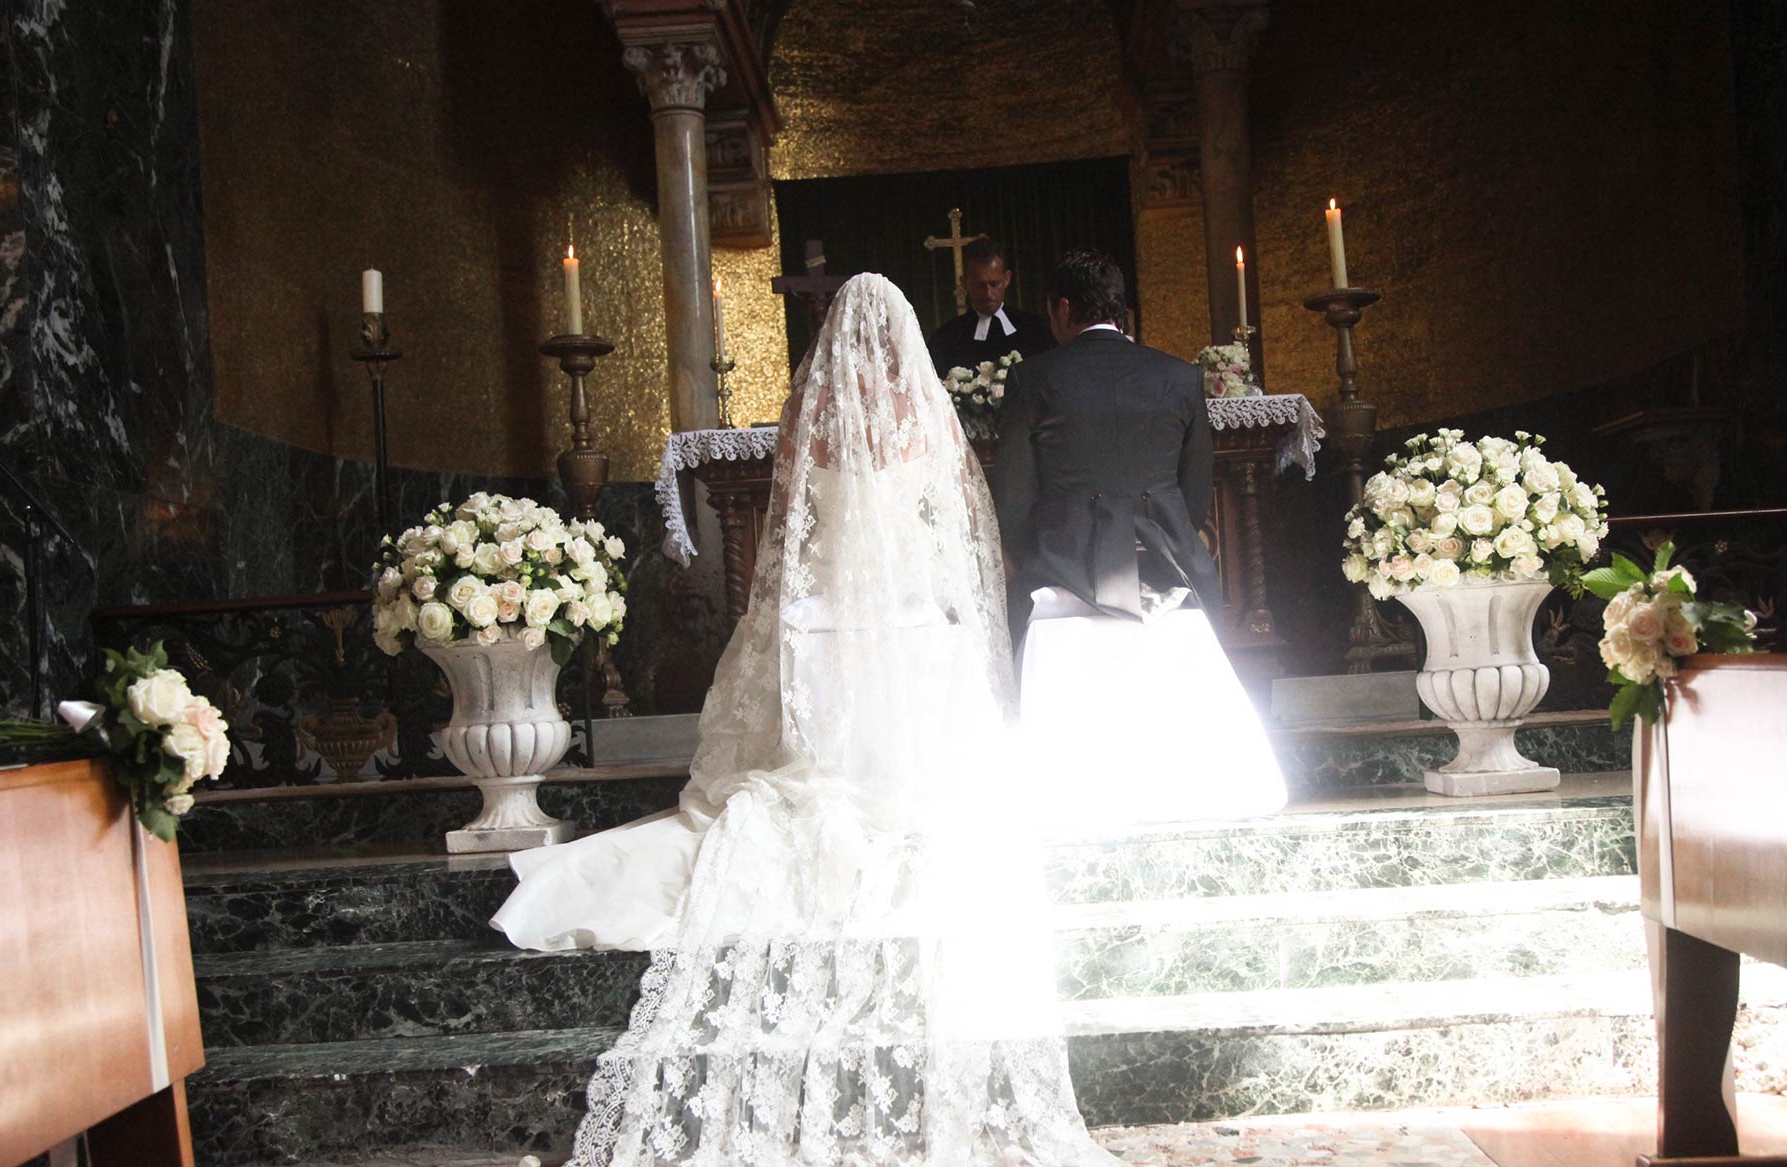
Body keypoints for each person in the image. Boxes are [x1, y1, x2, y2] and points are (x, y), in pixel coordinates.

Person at [492, 273, 1117, 1167]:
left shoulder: (808, 414)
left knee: (744, 808)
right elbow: (958, 534)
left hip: (821, 615)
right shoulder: (926, 414)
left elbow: (789, 536)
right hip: (906, 617)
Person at [992, 249, 1288, 830]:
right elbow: (1194, 490)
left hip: (1064, 567)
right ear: (1122, 310)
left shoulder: (1034, 378)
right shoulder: (1179, 377)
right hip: (1168, 566)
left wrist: (1032, 561)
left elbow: (1015, 496)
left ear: (1063, 308)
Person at [927, 237, 1055, 377]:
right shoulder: (946, 339)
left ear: (1007, 279)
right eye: (980, 285)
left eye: (994, 284)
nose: (988, 294)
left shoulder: (1036, 329)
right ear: (964, 283)